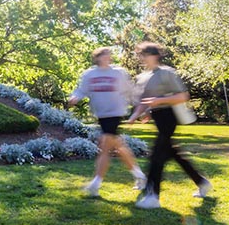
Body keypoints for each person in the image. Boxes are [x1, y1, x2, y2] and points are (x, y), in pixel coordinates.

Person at [129, 42, 211, 209]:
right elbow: (144, 101)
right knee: (174, 154)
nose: (142, 59)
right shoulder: (143, 77)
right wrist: (137, 115)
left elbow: (183, 96)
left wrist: (159, 101)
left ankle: (153, 196)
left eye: (145, 55)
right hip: (158, 118)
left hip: (169, 116)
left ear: (155, 55)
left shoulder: (166, 73)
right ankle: (202, 182)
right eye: (141, 56)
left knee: (156, 157)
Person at [68, 47, 146, 197]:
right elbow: (82, 90)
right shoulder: (89, 74)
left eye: (109, 55)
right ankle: (140, 176)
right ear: (97, 57)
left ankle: (95, 184)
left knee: (104, 146)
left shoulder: (118, 73)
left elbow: (130, 91)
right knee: (118, 146)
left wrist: (139, 108)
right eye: (105, 55)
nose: (108, 57)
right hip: (101, 114)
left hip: (115, 113)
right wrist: (75, 97)